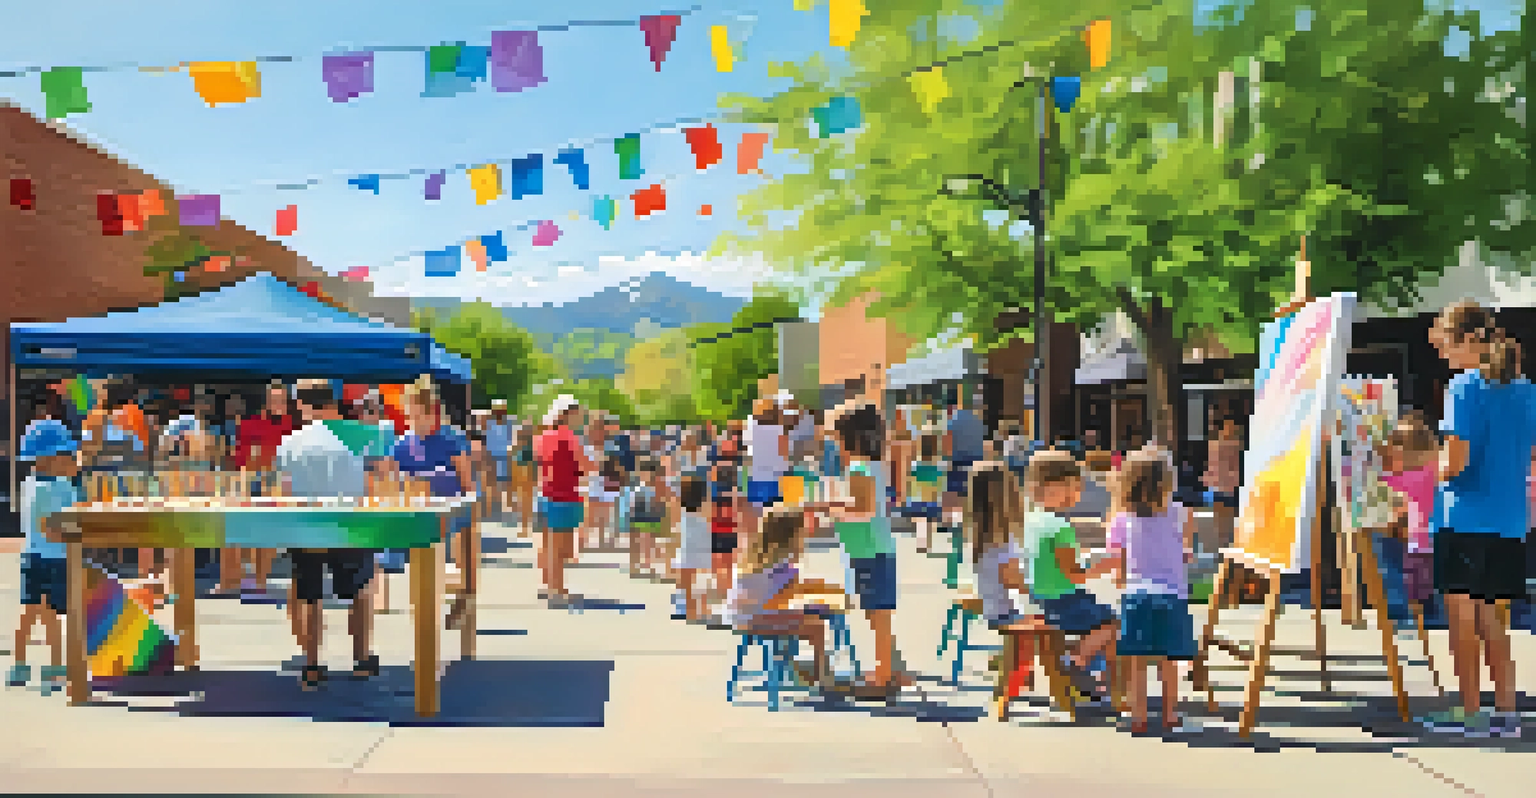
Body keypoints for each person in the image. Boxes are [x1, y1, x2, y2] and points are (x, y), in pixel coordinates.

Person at [1420, 301, 1532, 738]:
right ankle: (1506, 712)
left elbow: (1456, 463)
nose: (1445, 357)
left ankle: (1469, 712)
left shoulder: (1464, 388)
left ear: (1469, 339)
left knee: (1463, 623)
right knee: (1494, 622)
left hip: (1464, 518)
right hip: (1508, 522)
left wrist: (1425, 467)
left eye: (1447, 347)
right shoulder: (1526, 389)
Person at [277, 381, 382, 690]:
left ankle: (311, 664)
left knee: (310, 595)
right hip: (350, 523)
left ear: (302, 404)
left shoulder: (291, 442)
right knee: (360, 591)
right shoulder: (361, 436)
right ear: (332, 401)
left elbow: (284, 491)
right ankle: (361, 659)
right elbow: (375, 480)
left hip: (306, 525)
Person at [1105, 446, 1196, 734]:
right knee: (1168, 660)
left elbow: (1117, 559)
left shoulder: (1122, 518)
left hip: (1136, 593)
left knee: (1137, 660)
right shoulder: (1180, 513)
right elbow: (1186, 552)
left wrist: (1120, 579)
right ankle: (1170, 713)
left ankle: (1139, 716)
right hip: (1172, 594)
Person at [1022, 449, 1119, 701]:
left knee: (1103, 619)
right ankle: (1077, 662)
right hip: (1062, 601)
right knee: (1114, 624)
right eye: (1075, 487)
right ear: (1055, 486)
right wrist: (1104, 566)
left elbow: (1049, 561)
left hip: (1040, 598)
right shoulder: (1060, 526)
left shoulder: (1032, 520)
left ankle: (1094, 678)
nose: (1078, 494)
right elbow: (1074, 574)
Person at [828, 401, 910, 697]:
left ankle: (883, 677)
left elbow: (863, 510)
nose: (834, 444)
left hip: (869, 549)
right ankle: (887, 668)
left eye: (835, 437)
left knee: (877, 613)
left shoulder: (858, 468)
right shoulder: (870, 465)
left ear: (849, 436)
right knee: (878, 612)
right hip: (873, 547)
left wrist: (828, 507)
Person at [390, 377, 475, 625]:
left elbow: (467, 483)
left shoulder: (451, 439)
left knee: (463, 541)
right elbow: (397, 483)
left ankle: (464, 594)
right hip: (420, 516)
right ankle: (426, 612)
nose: (416, 423)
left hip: (453, 512)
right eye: (411, 417)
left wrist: (467, 506)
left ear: (433, 413)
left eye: (420, 417)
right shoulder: (402, 445)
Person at [726, 508, 838, 689]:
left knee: (801, 617)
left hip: (741, 617)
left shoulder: (755, 557)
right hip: (756, 619)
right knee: (816, 626)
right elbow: (784, 597)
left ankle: (797, 669)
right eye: (802, 535)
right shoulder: (782, 564)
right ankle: (821, 675)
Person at [8, 419, 82, 694]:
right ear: (50, 458)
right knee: (48, 614)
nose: (72, 460)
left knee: (32, 613)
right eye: (67, 455)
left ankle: (22, 665)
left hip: (32, 556)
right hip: (53, 558)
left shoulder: (32, 483)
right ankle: (51, 669)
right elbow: (51, 528)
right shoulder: (52, 489)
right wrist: (75, 538)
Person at [968, 464, 1038, 696]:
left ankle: (1011, 663)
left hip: (994, 607)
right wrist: (1042, 587)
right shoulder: (1004, 540)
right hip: (1008, 611)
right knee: (1066, 623)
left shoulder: (981, 534)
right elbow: (1013, 581)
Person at [1375, 413, 1441, 632]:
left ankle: (1402, 611)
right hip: (1432, 538)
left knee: (1400, 573)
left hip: (1408, 538)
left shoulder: (1395, 480)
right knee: (1426, 580)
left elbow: (1385, 495)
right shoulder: (1433, 473)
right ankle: (1430, 609)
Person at [230, 381, 296, 595]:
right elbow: (239, 456)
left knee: (268, 534)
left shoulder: (295, 426)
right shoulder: (250, 424)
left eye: (281, 400)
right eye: (274, 400)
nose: (278, 404)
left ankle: (260, 580)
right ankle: (239, 577)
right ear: (266, 402)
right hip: (253, 481)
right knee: (247, 532)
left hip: (279, 483)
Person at [535, 395, 591, 606]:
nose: (580, 417)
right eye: (577, 413)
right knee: (560, 549)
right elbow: (585, 466)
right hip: (565, 495)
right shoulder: (569, 437)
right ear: (567, 414)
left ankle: (547, 584)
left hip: (545, 493)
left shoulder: (542, 437)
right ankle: (556, 591)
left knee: (547, 544)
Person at [744, 399, 789, 547]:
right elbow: (785, 454)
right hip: (777, 477)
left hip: (757, 476)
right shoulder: (780, 430)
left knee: (758, 516)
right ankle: (777, 545)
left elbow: (747, 448)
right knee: (777, 516)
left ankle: (759, 545)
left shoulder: (752, 427)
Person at [671, 475, 712, 622]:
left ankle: (688, 610)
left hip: (687, 547)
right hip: (704, 546)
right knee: (703, 582)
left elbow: (674, 525)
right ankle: (704, 610)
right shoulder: (706, 508)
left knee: (687, 583)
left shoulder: (680, 508)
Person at [484, 399, 514, 519]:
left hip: (506, 455)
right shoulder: (488, 423)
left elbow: (511, 438)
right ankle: (494, 507)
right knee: (492, 483)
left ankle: (507, 505)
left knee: (507, 482)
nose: (499, 412)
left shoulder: (509, 423)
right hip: (492, 455)